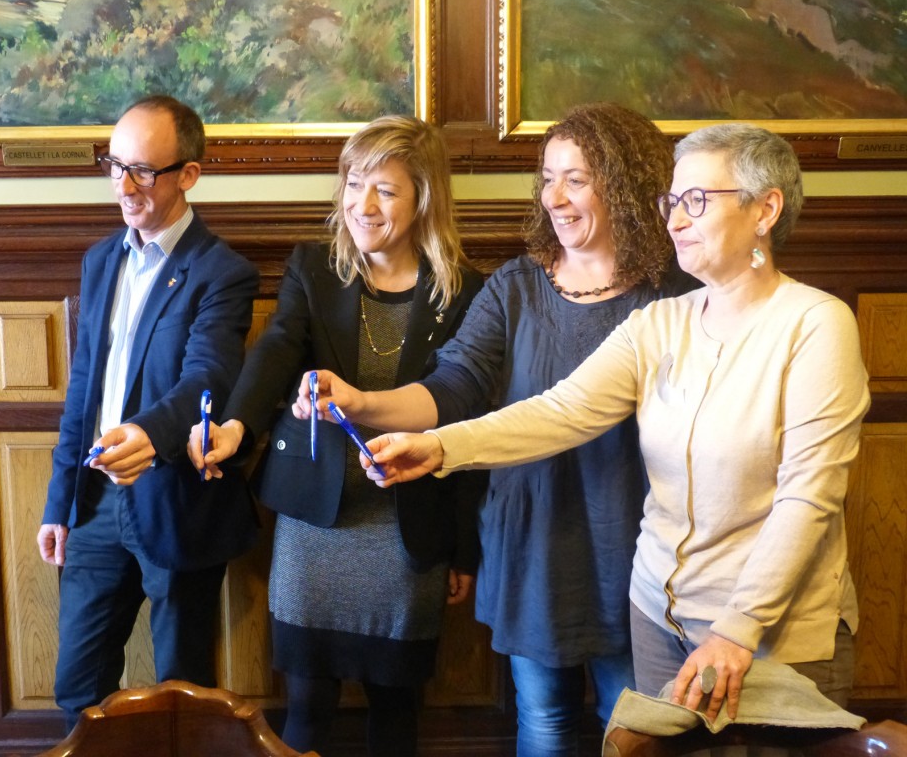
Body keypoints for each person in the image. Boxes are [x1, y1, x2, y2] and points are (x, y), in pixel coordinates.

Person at [362, 123, 871, 727]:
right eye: (672, 202)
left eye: (697, 201)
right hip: (659, 619)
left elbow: (808, 497)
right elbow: (560, 411)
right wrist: (439, 446)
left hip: (768, 630)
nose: (676, 220)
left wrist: (738, 630)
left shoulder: (816, 323)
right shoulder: (663, 322)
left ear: (766, 209)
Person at [299, 102, 698, 756]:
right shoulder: (517, 286)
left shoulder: (677, 295)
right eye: (548, 178)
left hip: (636, 547)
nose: (556, 198)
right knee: (544, 725)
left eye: (577, 178)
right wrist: (362, 403)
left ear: (623, 183)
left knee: (639, 734)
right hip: (533, 540)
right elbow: (451, 390)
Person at [187, 115, 485, 757]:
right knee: (307, 706)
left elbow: (468, 422)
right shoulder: (314, 268)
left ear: (423, 197)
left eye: (384, 189)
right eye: (353, 183)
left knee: (396, 708)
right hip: (316, 525)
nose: (362, 205)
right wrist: (238, 423)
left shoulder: (464, 292)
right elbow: (277, 347)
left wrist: (464, 549)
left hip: (407, 525)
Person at [36, 94, 260, 730]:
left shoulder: (223, 273)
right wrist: (61, 502)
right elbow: (84, 389)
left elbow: (207, 379)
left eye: (143, 170)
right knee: (77, 688)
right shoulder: (101, 259)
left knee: (182, 699)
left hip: (177, 504)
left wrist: (146, 433)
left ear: (188, 174)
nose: (124, 185)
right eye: (114, 165)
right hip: (97, 505)